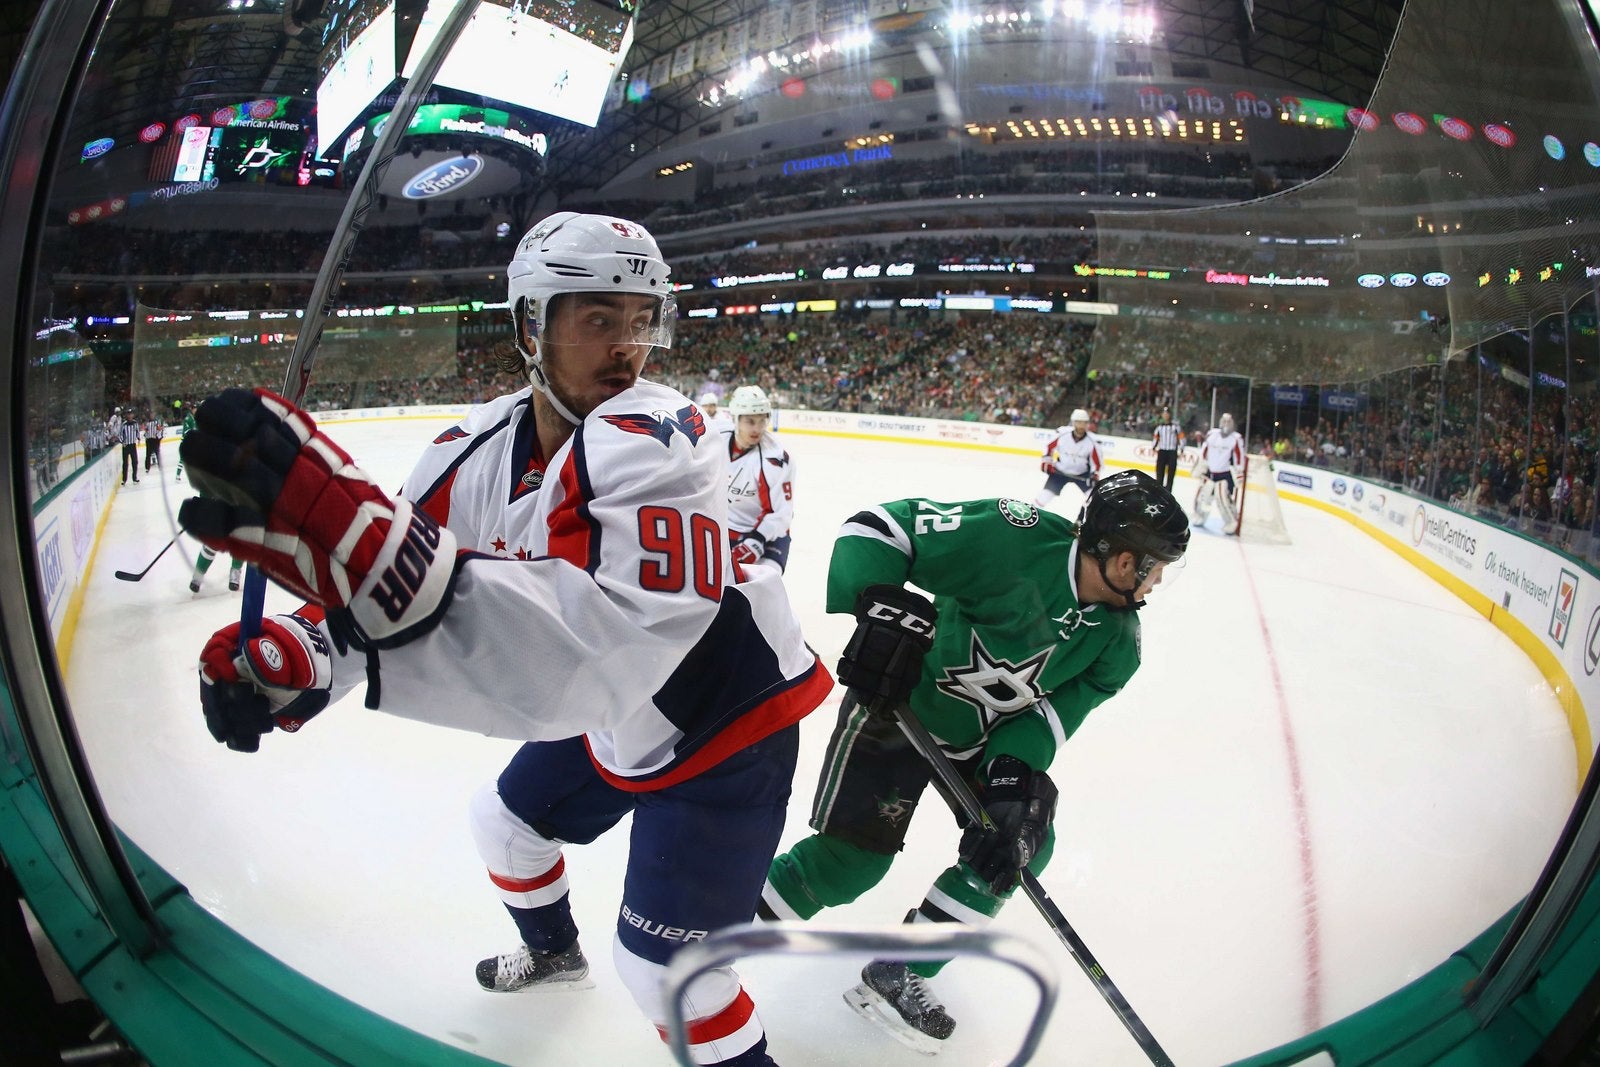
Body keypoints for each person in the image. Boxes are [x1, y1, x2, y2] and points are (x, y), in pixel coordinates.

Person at [176, 211, 830, 1067]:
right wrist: (301, 651)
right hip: (613, 713)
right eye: (599, 318)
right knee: (506, 825)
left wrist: (379, 570)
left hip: (726, 723)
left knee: (670, 975)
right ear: (531, 324)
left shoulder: (661, 433)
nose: (627, 346)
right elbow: (387, 590)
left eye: (641, 319)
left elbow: (607, 656)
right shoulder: (469, 452)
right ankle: (556, 953)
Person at [758, 471, 1189, 1051]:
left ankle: (901, 970)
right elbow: (879, 529)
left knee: (1020, 844)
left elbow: (1050, 719)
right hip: (899, 708)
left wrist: (1014, 778)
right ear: (1122, 560)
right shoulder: (1015, 539)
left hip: (979, 742)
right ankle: (717, 930)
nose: (1158, 581)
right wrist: (876, 605)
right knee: (850, 864)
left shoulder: (1118, 641)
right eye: (1156, 566)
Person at [721, 385, 795, 575]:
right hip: (725, 529)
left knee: (764, 585)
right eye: (750, 421)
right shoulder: (715, 440)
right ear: (735, 419)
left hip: (769, 535)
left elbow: (781, 513)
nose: (758, 428)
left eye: (762, 421)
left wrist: (756, 541)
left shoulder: (775, 459)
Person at [1035, 408, 1101, 510]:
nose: (1081, 426)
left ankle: (1086, 521)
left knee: (1094, 500)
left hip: (1082, 473)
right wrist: (1046, 462)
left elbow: (1096, 462)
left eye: (1084, 423)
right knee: (1043, 497)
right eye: (1079, 422)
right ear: (1073, 422)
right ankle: (1032, 516)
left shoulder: (1092, 441)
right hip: (1060, 471)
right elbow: (1048, 448)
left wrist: (1094, 475)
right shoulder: (1062, 434)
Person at [1194, 412, 1245, 529]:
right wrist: (1201, 466)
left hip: (1224, 474)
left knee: (1223, 499)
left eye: (1228, 421)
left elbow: (1239, 457)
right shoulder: (1212, 434)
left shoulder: (1236, 438)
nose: (1226, 424)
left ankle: (1231, 521)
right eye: (1224, 421)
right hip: (1210, 473)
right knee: (1204, 497)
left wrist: (1239, 472)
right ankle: (1200, 516)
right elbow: (1204, 451)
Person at [1151, 407, 1182, 491]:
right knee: (1159, 472)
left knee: (1171, 473)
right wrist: (1153, 447)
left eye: (1167, 413)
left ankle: (1168, 491)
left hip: (1172, 452)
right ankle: (1159, 491)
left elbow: (1181, 438)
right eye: (1164, 413)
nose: (1166, 415)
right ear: (1162, 415)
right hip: (1162, 451)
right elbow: (1155, 438)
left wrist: (1181, 448)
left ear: (1170, 414)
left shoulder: (1175, 427)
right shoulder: (1159, 427)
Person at [174, 400, 196, 483]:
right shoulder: (188, 418)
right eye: (194, 408)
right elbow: (186, 432)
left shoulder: (195, 418)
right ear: (191, 409)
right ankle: (177, 475)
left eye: (196, 408)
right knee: (182, 459)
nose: (195, 410)